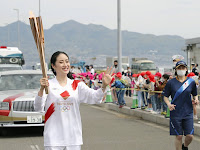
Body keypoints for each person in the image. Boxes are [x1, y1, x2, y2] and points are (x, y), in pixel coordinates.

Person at [34, 51, 114, 150]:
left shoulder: (77, 85)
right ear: (54, 66)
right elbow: (38, 108)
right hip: (53, 138)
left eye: (67, 61)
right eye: (61, 62)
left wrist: (104, 86)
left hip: (73, 138)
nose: (65, 65)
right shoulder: (48, 85)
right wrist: (41, 89)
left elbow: (95, 98)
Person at [162, 61, 199, 150]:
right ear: (176, 70)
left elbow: (195, 94)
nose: (181, 70)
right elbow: (165, 96)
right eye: (179, 68)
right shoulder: (171, 83)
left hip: (188, 112)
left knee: (190, 136)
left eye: (183, 68)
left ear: (186, 69)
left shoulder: (191, 82)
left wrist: (196, 99)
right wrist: (168, 104)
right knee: (178, 136)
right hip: (175, 112)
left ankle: (185, 146)